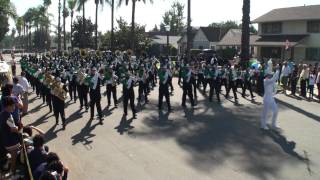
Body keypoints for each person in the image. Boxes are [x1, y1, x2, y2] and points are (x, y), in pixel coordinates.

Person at [0, 96, 20, 174]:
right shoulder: (8, 116)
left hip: (4, 139)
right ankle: (13, 173)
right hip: (11, 142)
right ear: (8, 106)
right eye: (13, 105)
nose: (14, 107)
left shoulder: (2, 113)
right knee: (14, 159)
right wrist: (21, 128)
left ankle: (7, 164)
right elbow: (14, 129)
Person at [261, 65, 280, 130]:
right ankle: (263, 125)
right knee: (265, 113)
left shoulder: (271, 81)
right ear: (266, 75)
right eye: (269, 74)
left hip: (271, 98)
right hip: (266, 98)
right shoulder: (265, 80)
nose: (270, 75)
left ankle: (273, 123)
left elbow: (275, 87)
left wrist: (274, 92)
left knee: (276, 111)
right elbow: (274, 79)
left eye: (271, 74)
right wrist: (277, 70)